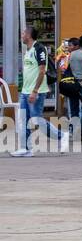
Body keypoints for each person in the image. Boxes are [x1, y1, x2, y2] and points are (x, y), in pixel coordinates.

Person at [9, 25, 66, 156]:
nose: (21, 35)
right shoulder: (28, 50)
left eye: (23, 33)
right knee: (24, 119)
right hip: (25, 91)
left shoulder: (39, 49)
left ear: (29, 35)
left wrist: (35, 91)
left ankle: (61, 136)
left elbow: (42, 71)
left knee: (36, 119)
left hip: (37, 91)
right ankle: (25, 148)